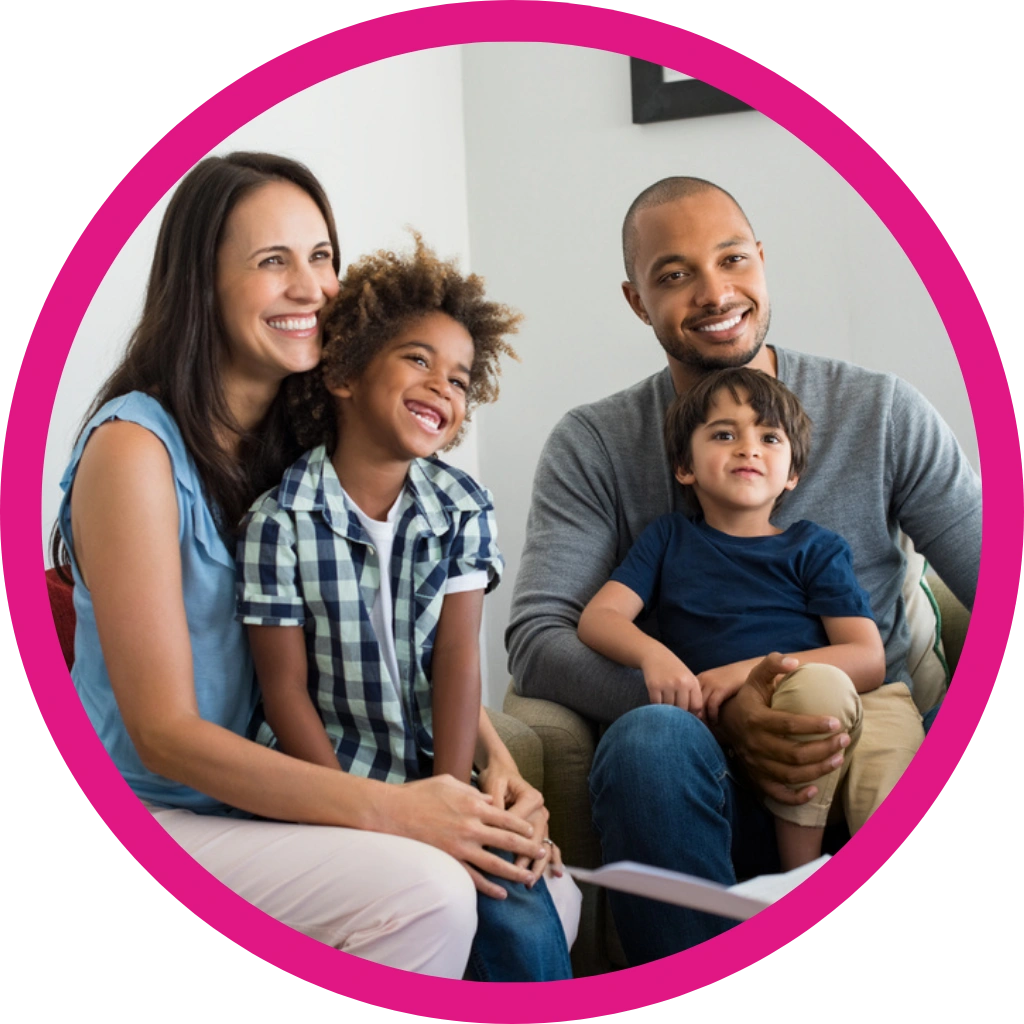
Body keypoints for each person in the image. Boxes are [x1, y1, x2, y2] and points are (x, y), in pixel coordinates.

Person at [53, 151, 575, 980]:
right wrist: (395, 813)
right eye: (273, 261)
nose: (311, 288)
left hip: (270, 796)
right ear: (202, 283)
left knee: (545, 888)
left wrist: (493, 769)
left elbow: (401, 640)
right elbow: (164, 736)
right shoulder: (133, 450)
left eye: (321, 255)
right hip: (158, 809)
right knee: (433, 892)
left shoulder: (307, 446)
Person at [506, 176, 981, 964]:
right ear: (637, 301)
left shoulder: (881, 412)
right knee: (649, 741)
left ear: (762, 259)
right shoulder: (595, 445)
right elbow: (538, 639)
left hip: (858, 732)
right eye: (675, 274)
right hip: (692, 762)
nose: (715, 292)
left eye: (732, 259)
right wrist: (717, 709)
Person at [236, 232, 579, 980]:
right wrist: (355, 809)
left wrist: (452, 804)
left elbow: (457, 662)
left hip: (432, 773)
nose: (441, 388)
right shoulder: (278, 521)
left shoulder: (463, 507)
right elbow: (283, 690)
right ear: (344, 373)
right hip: (321, 780)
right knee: (492, 906)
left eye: (459, 378)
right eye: (418, 360)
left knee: (522, 895)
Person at [578, 366, 925, 870]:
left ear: (792, 474)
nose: (748, 448)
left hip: (852, 709)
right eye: (724, 435)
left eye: (769, 437)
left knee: (844, 720)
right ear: (685, 466)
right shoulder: (668, 539)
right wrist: (653, 656)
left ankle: (799, 877)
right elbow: (600, 617)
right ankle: (797, 877)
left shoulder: (815, 546)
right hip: (735, 749)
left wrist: (739, 673)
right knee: (809, 693)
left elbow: (867, 659)